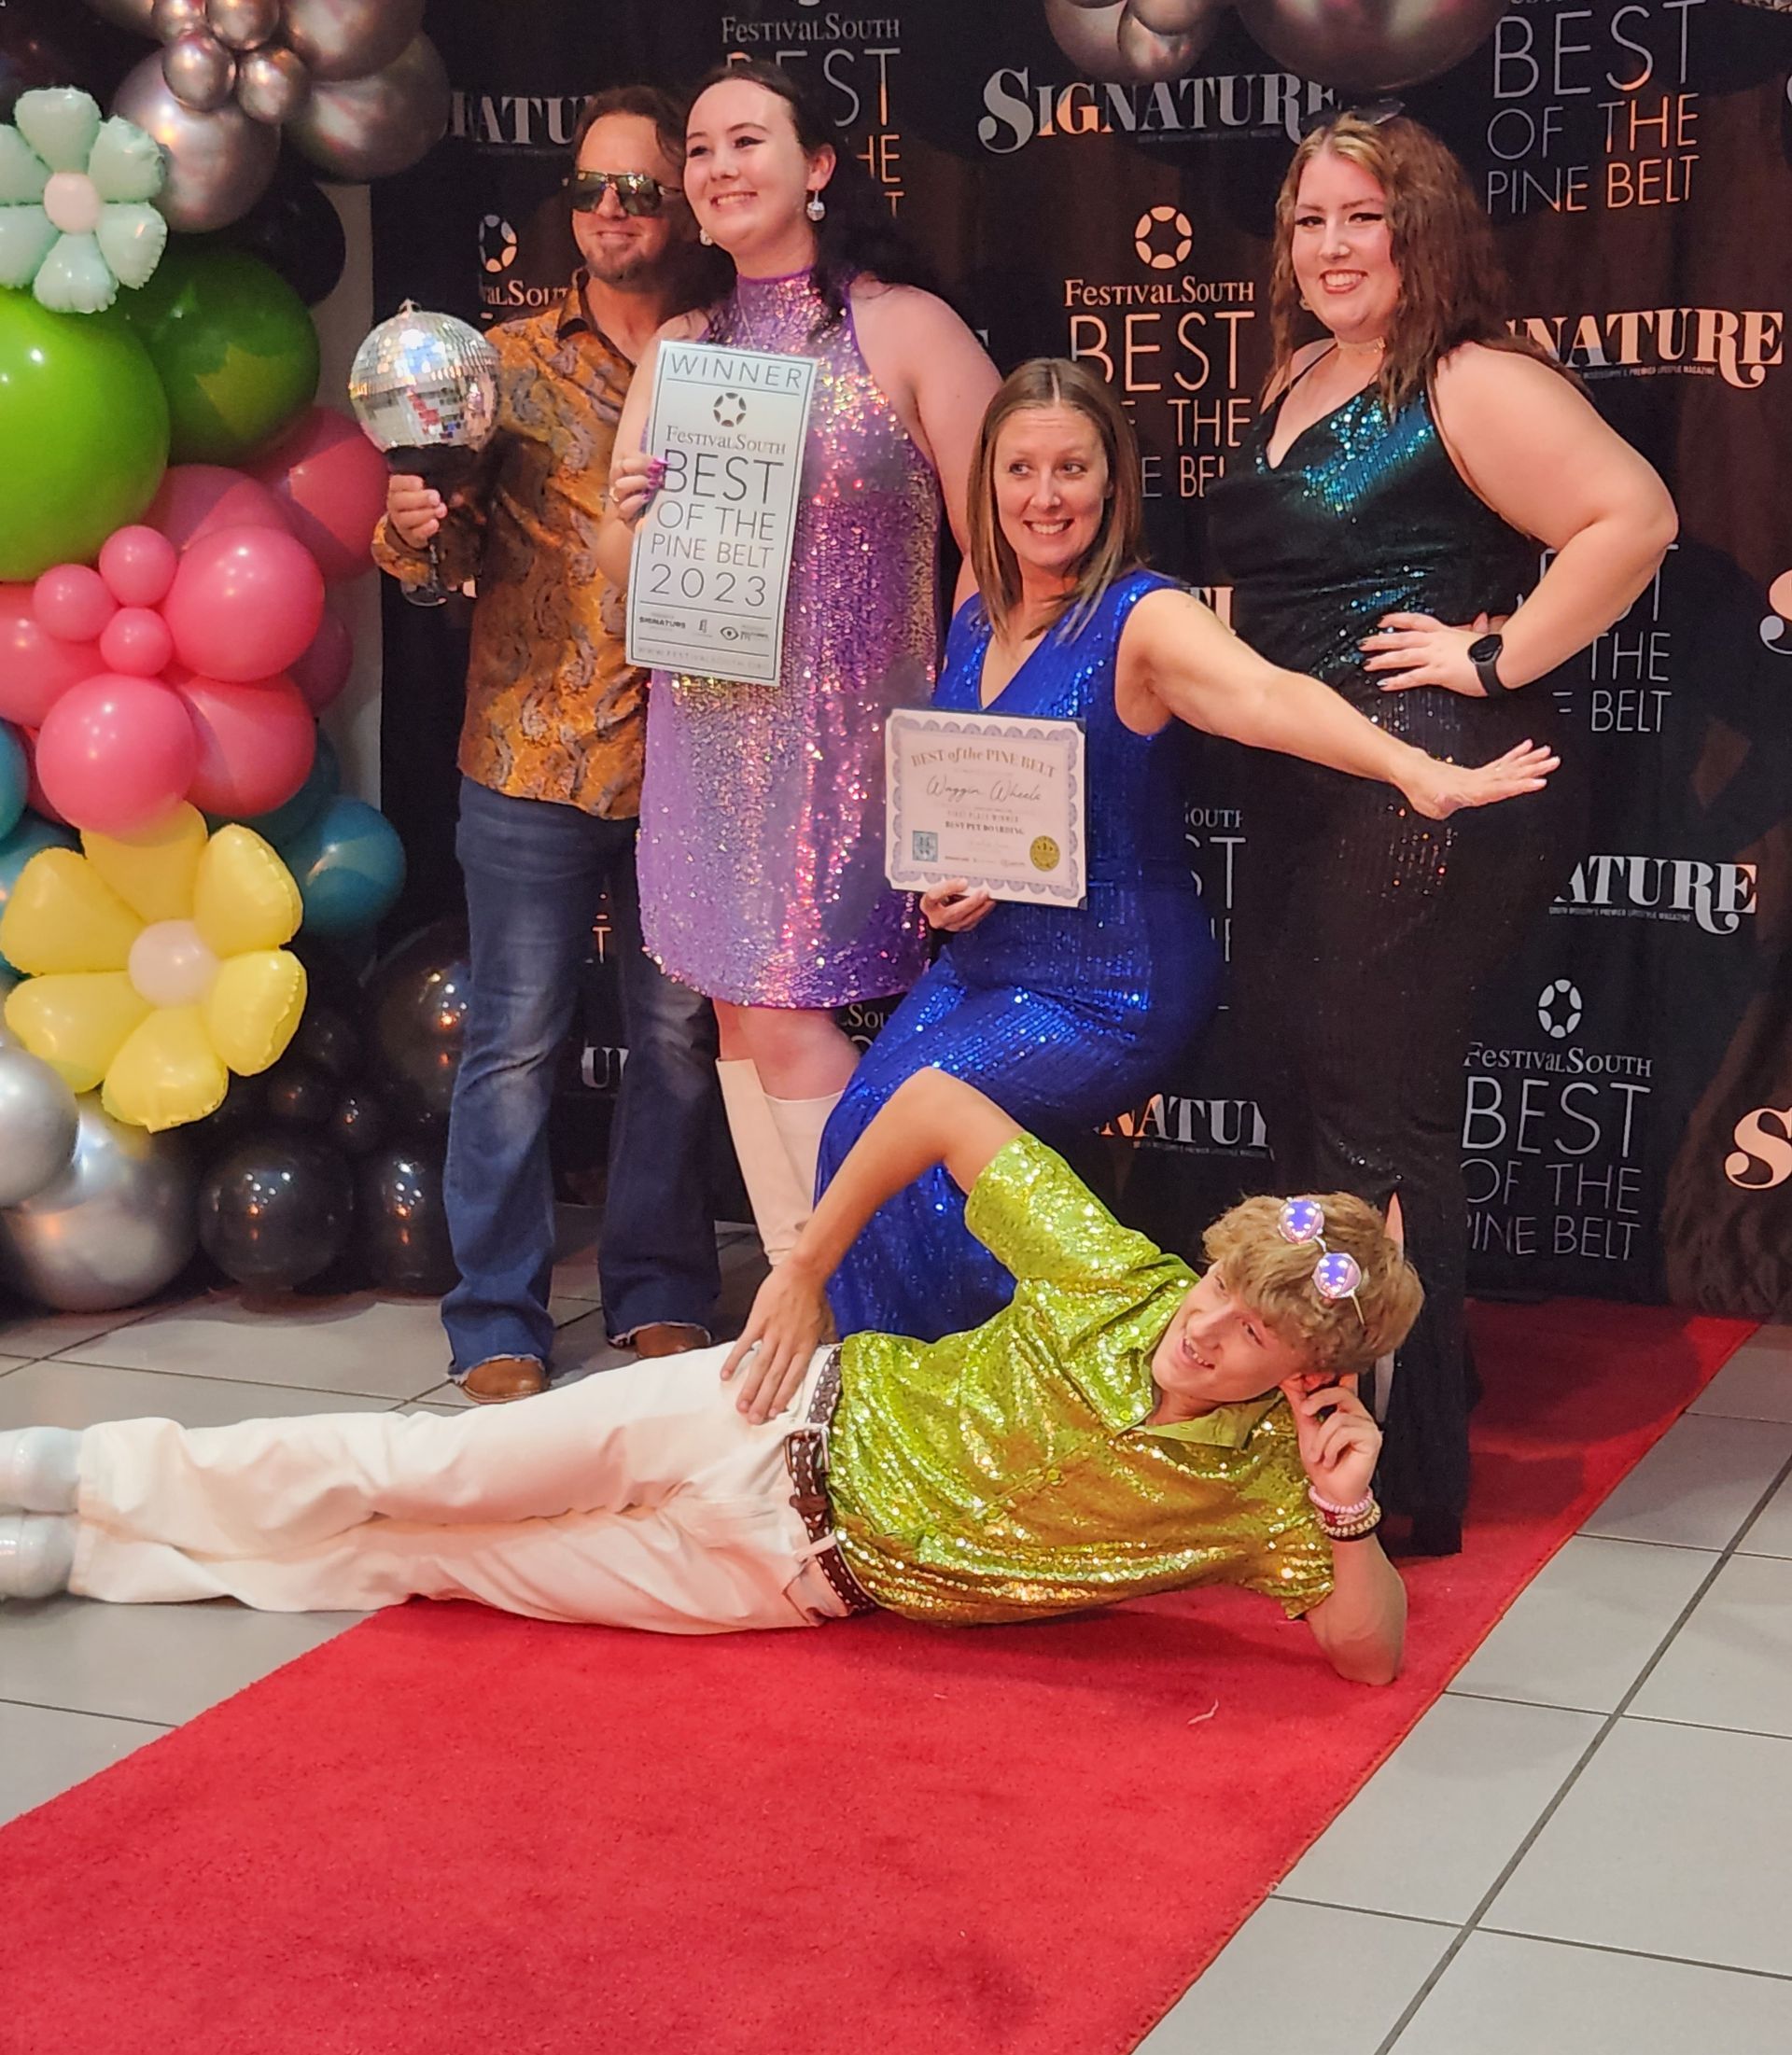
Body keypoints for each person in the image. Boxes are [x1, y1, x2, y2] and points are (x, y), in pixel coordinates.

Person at [0, 1071, 1423, 1690]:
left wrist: (1346, 1511)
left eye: (1252, 1334)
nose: (1207, 1326)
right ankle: (74, 1472)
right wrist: (803, 1266)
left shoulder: (1262, 1488)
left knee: (429, 1561)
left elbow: (1369, 1657)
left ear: (1305, 1373)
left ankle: (86, 1554)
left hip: (777, 1580)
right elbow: (936, 1105)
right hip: (765, 1409)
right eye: (1220, 1284)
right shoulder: (1113, 1274)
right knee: (424, 1469)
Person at [819, 356, 1564, 1345]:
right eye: (1021, 470)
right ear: (986, 483)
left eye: (1072, 469)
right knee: (854, 1133)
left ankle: (1004, 1389)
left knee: (898, 1133)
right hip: (987, 966)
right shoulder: (975, 614)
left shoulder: (1143, 615)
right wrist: (954, 884)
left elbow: (1269, 698)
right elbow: (979, 808)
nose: (1046, 498)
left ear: (1112, 483)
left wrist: (1413, 769)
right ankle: (932, 1381)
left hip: (1107, 988)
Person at [1204, 107, 1676, 1551]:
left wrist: (1493, 656)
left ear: (1424, 232)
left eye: (1366, 217)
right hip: (1310, 783)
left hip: (1431, 785)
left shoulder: (1468, 380)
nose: (1332, 246)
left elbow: (1634, 516)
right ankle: (1376, 1389)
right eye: (1311, 220)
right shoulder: (1297, 372)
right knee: (1311, 1096)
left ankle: (1404, 1477)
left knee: (1374, 1118)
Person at [597, 59, 1001, 1267]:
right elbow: (620, 580)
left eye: (747, 141)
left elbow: (1005, 556)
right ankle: (807, 1313)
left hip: (851, 753)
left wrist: (966, 754)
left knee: (784, 1014)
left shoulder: (905, 326)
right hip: (706, 739)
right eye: (699, 149)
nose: (718, 167)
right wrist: (629, 518)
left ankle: (862, 1308)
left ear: (817, 165)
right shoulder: (681, 347)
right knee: (737, 1017)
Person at [372, 88, 729, 1404]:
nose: (613, 212)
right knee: (514, 1044)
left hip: (697, 754)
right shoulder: (500, 365)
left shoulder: (736, 356)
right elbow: (439, 559)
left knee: (676, 1042)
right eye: (591, 190)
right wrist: (414, 526)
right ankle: (496, 1317)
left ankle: (659, 1289)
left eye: (640, 189)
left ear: (683, 205)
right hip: (533, 754)